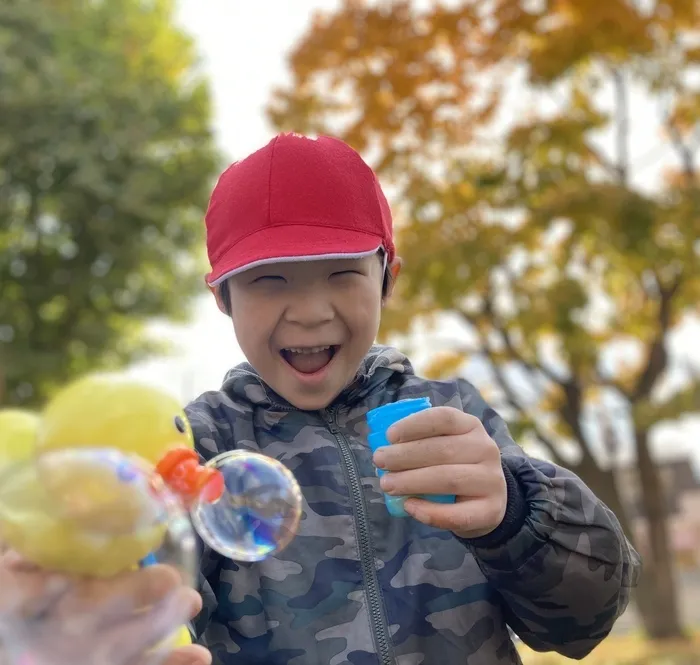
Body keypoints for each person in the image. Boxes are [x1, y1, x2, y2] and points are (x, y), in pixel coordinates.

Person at [0, 133, 640, 665]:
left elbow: (582, 624)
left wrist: (513, 510)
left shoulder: (453, 420)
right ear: (222, 298)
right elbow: (142, 603)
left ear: (387, 278)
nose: (309, 312)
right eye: (268, 280)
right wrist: (67, 596)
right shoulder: (193, 446)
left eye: (342, 273)